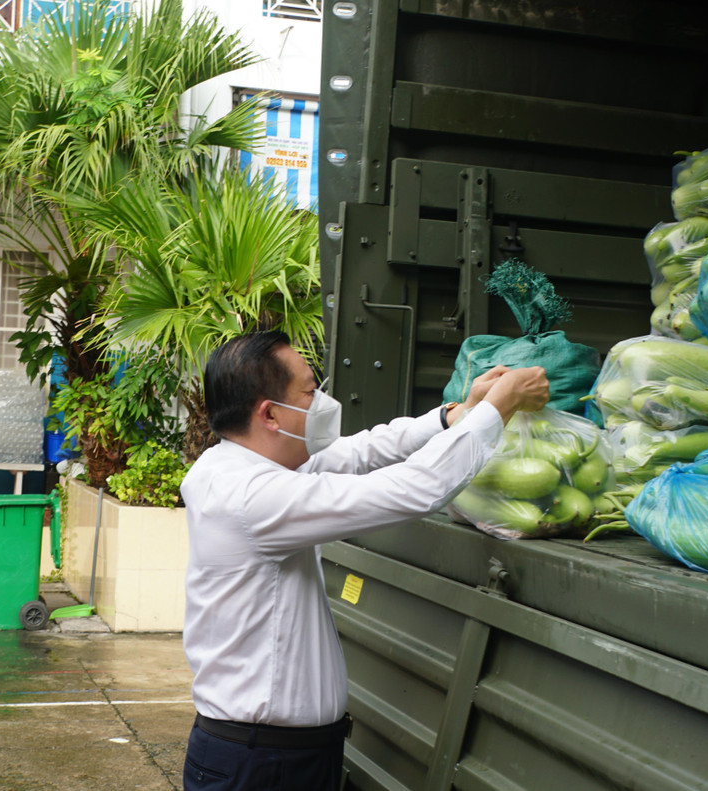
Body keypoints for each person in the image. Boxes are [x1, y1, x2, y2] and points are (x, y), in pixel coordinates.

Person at [180, 330, 549, 790]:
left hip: (271, 754)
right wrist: (501, 407)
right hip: (262, 765)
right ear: (270, 413)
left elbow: (359, 451)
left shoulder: (237, 466)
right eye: (310, 392)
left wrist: (459, 413)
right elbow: (415, 488)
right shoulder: (254, 496)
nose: (321, 403)